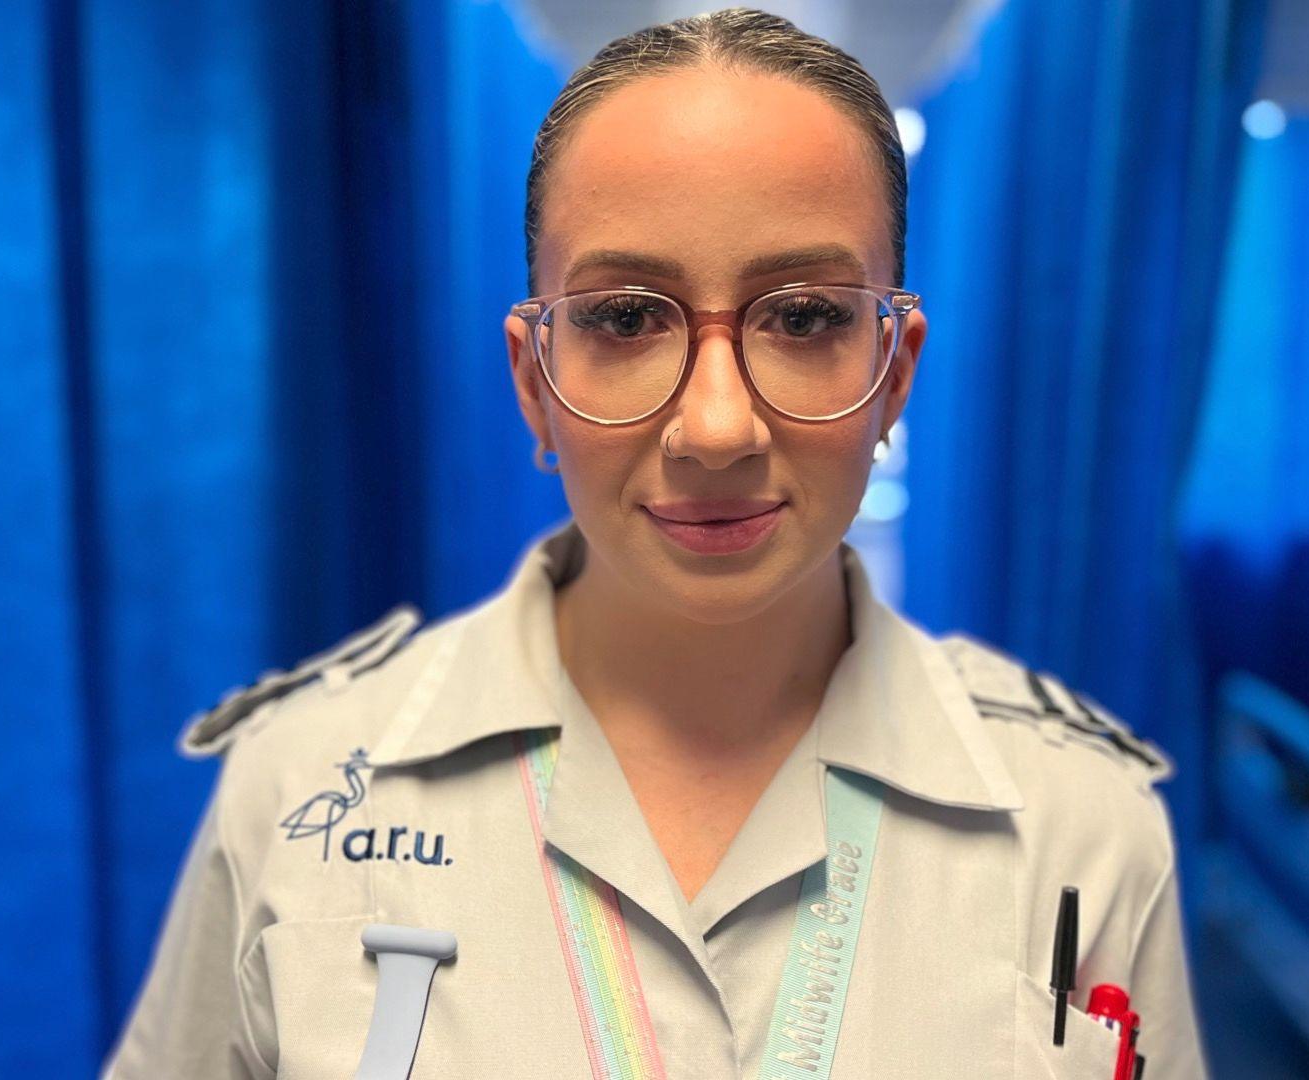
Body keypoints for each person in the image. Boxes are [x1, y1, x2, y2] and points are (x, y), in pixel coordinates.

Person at [103, 8, 1206, 1078]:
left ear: (894, 376)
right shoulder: (297, 796)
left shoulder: (1082, 829)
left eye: (806, 316)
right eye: (626, 318)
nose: (718, 428)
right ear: (536, 384)